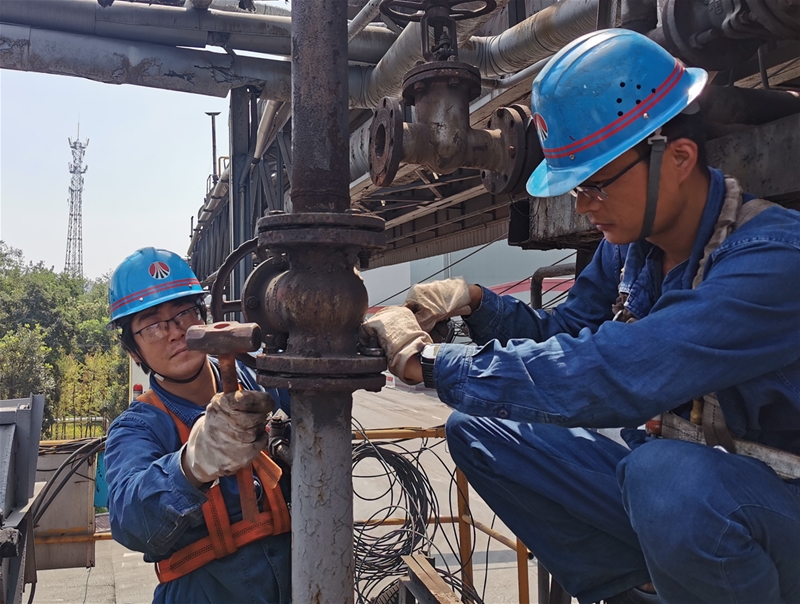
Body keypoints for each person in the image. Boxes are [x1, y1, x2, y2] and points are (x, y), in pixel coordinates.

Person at [361, 29, 800, 604]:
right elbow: (568, 335)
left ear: (678, 159)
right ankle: (636, 589)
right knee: (479, 430)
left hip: (777, 502)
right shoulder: (630, 249)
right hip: (699, 483)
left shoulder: (773, 260)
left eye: (594, 184)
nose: (583, 205)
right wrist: (475, 299)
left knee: (665, 478)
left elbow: (624, 369)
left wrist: (433, 362)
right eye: (574, 189)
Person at [104, 247, 291, 604]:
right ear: (133, 350)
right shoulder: (138, 428)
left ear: (202, 316)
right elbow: (130, 521)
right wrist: (192, 465)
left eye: (183, 313)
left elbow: (319, 397)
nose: (175, 332)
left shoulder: (258, 381)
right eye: (153, 325)